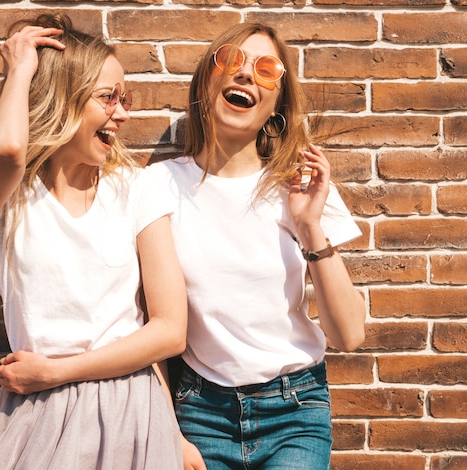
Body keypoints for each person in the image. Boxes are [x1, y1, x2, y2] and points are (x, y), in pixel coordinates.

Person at [0, 13, 186, 469]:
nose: (123, 112)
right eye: (107, 97)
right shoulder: (9, 198)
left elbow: (168, 331)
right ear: (64, 100)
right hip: (39, 412)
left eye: (124, 97)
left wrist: (55, 371)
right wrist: (20, 69)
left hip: (132, 409)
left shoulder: (139, 189)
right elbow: (8, 149)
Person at [147, 22, 366, 470]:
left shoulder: (298, 184)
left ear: (276, 106)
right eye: (230, 61)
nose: (245, 75)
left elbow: (348, 334)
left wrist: (309, 225)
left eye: (266, 69)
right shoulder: (156, 185)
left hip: (295, 411)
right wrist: (170, 428)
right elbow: (140, 319)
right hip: (199, 413)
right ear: (207, 81)